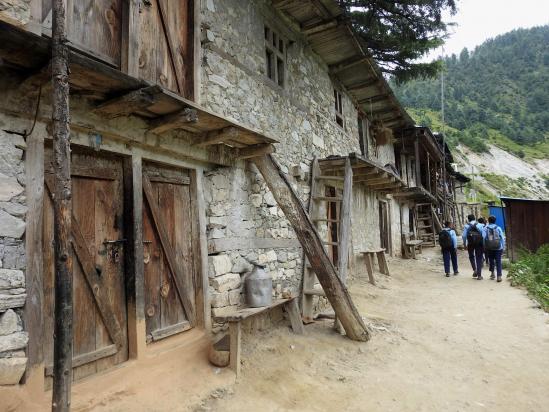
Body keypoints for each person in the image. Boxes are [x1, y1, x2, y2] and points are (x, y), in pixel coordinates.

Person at [462, 214, 485, 280]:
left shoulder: (466, 226)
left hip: (470, 243)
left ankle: (474, 269)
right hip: (478, 243)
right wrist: (483, 244)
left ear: (468, 219)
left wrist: (464, 244)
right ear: (475, 218)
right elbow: (483, 235)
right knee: (479, 257)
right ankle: (479, 275)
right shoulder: (480, 225)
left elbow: (464, 236)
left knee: (471, 256)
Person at [484, 215, 506, 282]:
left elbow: (483, 238)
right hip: (498, 247)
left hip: (489, 247)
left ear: (489, 221)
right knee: (498, 261)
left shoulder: (485, 228)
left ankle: (492, 273)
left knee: (491, 260)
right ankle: (499, 276)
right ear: (495, 221)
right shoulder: (498, 228)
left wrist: (485, 246)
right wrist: (503, 247)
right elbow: (502, 238)